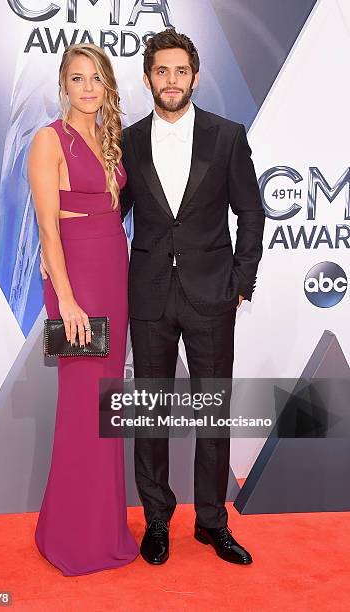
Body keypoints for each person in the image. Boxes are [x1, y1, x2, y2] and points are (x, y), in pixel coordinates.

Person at [119, 29, 265, 566]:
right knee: (151, 413)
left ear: (195, 77)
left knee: (211, 413)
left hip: (211, 294)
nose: (172, 80)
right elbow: (115, 216)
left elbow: (251, 211)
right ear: (148, 78)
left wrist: (240, 282)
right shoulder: (129, 141)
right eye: (162, 71)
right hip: (149, 294)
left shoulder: (228, 136)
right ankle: (157, 520)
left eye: (181, 71)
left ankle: (211, 523)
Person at [28, 43, 139, 576]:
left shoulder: (109, 138)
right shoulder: (48, 140)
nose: (88, 88)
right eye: (78, 79)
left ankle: (101, 526)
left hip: (112, 271)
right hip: (76, 279)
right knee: (82, 404)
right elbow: (48, 229)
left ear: (107, 85)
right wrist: (67, 299)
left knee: (106, 403)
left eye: (97, 79)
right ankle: (72, 537)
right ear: (64, 85)